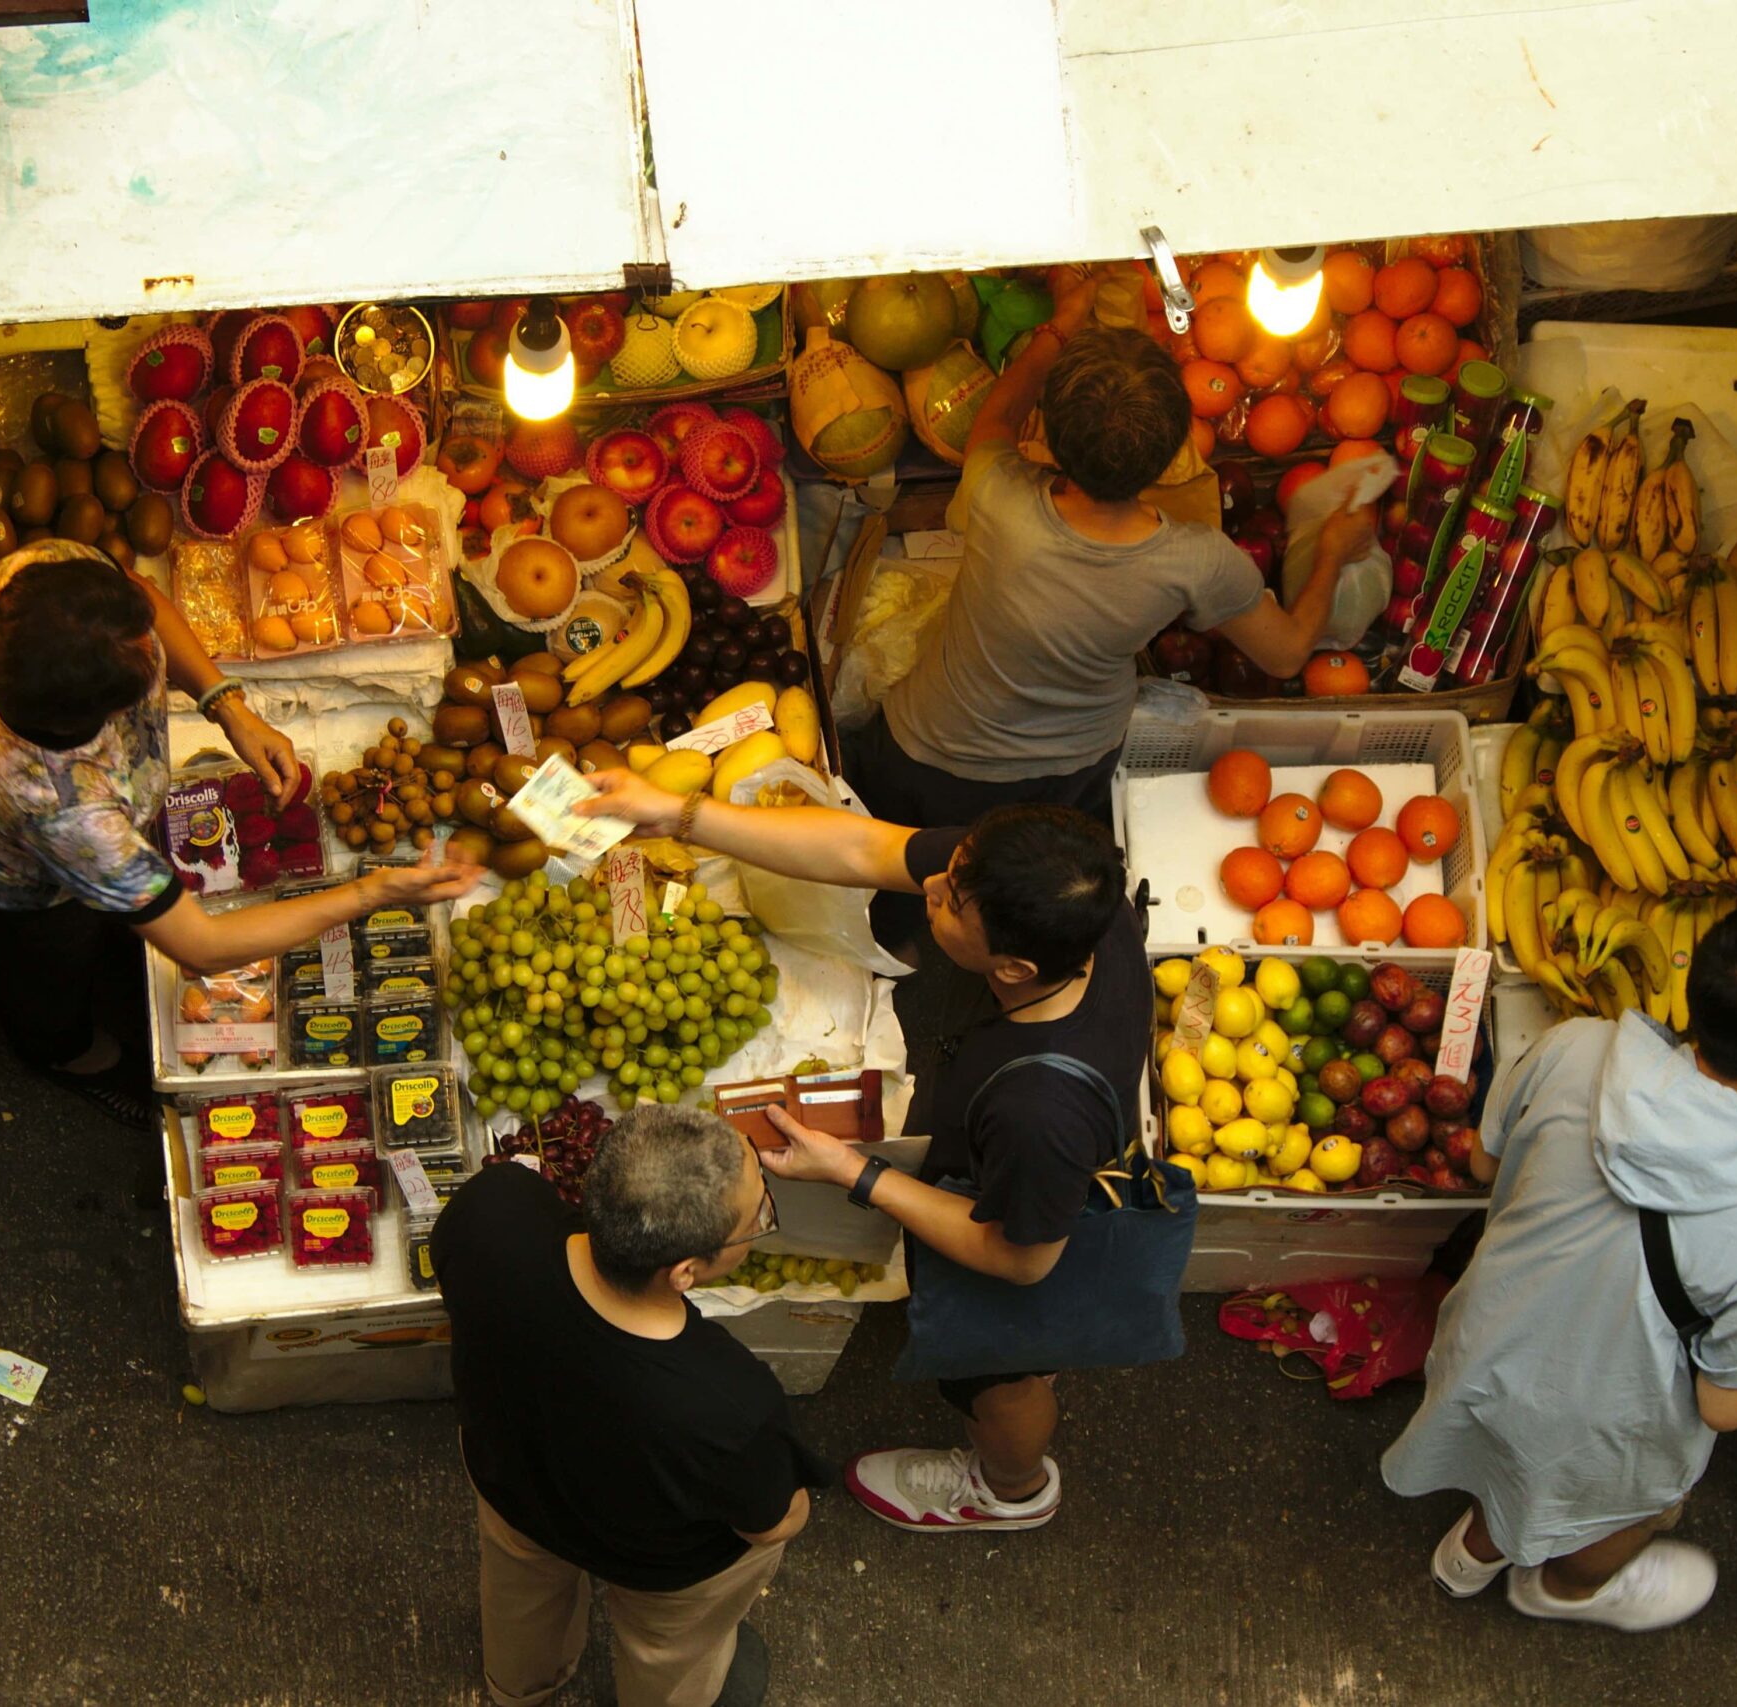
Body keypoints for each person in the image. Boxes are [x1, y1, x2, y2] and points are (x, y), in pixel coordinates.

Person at [587, 767, 1143, 1534]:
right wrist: (681, 814)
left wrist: (857, 1172)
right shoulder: (1068, 898)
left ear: (1012, 968)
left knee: (996, 1370)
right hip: (1014, 1154)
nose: (933, 891)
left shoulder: (1037, 1111)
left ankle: (1010, 1486)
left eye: (949, 904)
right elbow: (866, 848)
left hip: (1020, 1225)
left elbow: (1024, 1260)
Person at [1381, 899, 1737, 1633]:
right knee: (1610, 1509)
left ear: (1690, 981)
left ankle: (1467, 1558)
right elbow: (1725, 1406)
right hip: (1599, 1427)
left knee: (1498, 1457)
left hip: (1490, 1340)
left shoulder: (1576, 1046)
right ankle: (1564, 1589)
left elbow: (1481, 1160)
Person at [0, 541, 476, 1097]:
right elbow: (202, 944)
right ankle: (62, 1055)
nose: (152, 642)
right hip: (9, 876)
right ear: (103, 721)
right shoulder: (68, 809)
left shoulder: (35, 576)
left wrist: (227, 707)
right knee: (45, 979)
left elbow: (144, 598)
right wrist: (369, 893)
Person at [848, 268, 1379, 840]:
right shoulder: (1196, 559)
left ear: (1047, 434)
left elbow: (996, 416)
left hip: (924, 747)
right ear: (1175, 448)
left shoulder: (997, 492)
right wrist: (1329, 550)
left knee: (893, 863)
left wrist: (1061, 326)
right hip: (1064, 772)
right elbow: (1287, 653)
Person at [434, 1104, 829, 1707]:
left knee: (522, 1597)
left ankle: (520, 1689)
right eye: (757, 1218)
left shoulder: (492, 1208)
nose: (761, 1219)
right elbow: (774, 1519)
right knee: (667, 1655)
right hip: (652, 1563)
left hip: (514, 1488)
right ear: (686, 1272)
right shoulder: (726, 1400)